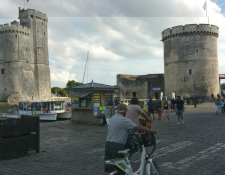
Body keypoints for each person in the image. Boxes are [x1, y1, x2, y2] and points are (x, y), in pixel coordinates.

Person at [104, 104, 157, 174]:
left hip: (108, 145)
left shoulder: (112, 118)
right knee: (121, 169)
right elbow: (138, 128)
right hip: (117, 146)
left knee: (110, 168)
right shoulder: (124, 120)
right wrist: (150, 130)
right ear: (124, 111)